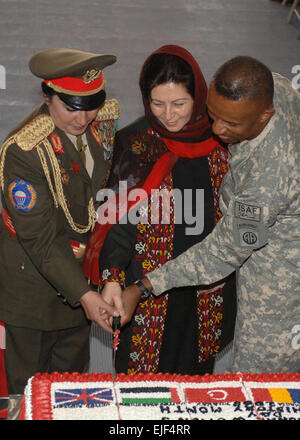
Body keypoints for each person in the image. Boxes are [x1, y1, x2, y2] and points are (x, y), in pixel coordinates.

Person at [118, 56, 300, 374]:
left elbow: (221, 254)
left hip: (280, 284)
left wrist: (144, 286)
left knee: (258, 385)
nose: (217, 129)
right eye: (214, 115)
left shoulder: (267, 181)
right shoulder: (275, 86)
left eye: (232, 124)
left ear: (264, 116)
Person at [83, 45, 236, 375]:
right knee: (140, 400)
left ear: (198, 97)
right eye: (158, 103)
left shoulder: (223, 142)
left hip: (205, 297)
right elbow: (115, 221)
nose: (169, 114)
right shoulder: (136, 143)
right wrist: (112, 278)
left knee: (194, 395)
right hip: (147, 297)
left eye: (179, 103)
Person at [0, 48, 120, 394]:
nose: (82, 119)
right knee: (30, 394)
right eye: (70, 107)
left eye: (91, 105)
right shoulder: (24, 151)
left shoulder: (102, 127)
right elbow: (40, 238)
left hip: (83, 286)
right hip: (35, 293)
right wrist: (83, 293)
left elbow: (106, 202)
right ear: (47, 96)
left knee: (70, 392)